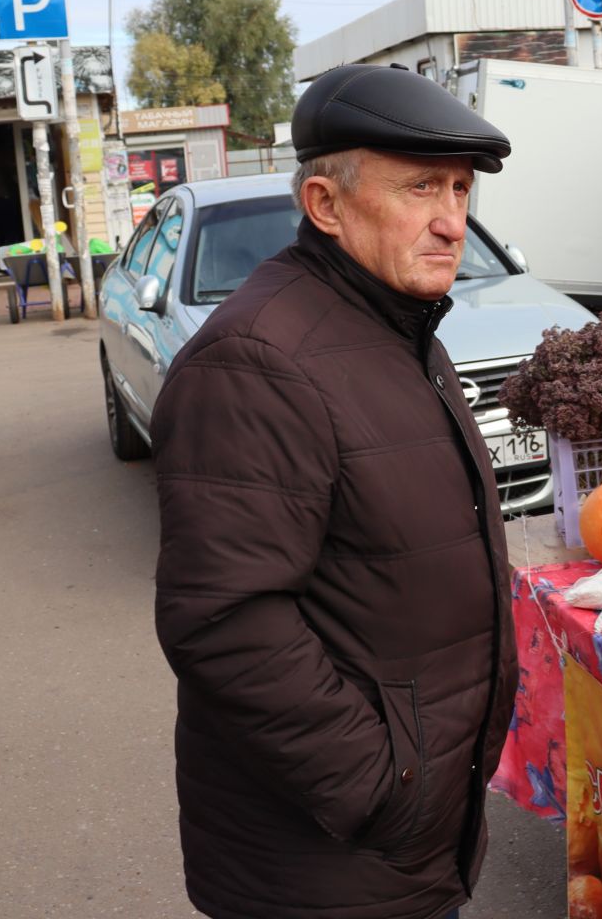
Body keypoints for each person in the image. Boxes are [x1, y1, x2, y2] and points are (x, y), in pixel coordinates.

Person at [151, 65, 517, 919]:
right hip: (326, 862)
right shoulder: (258, 361)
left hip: (407, 842)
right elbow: (224, 620)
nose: (450, 221)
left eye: (461, 190)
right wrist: (380, 783)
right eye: (420, 187)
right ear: (325, 204)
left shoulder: (394, 323)